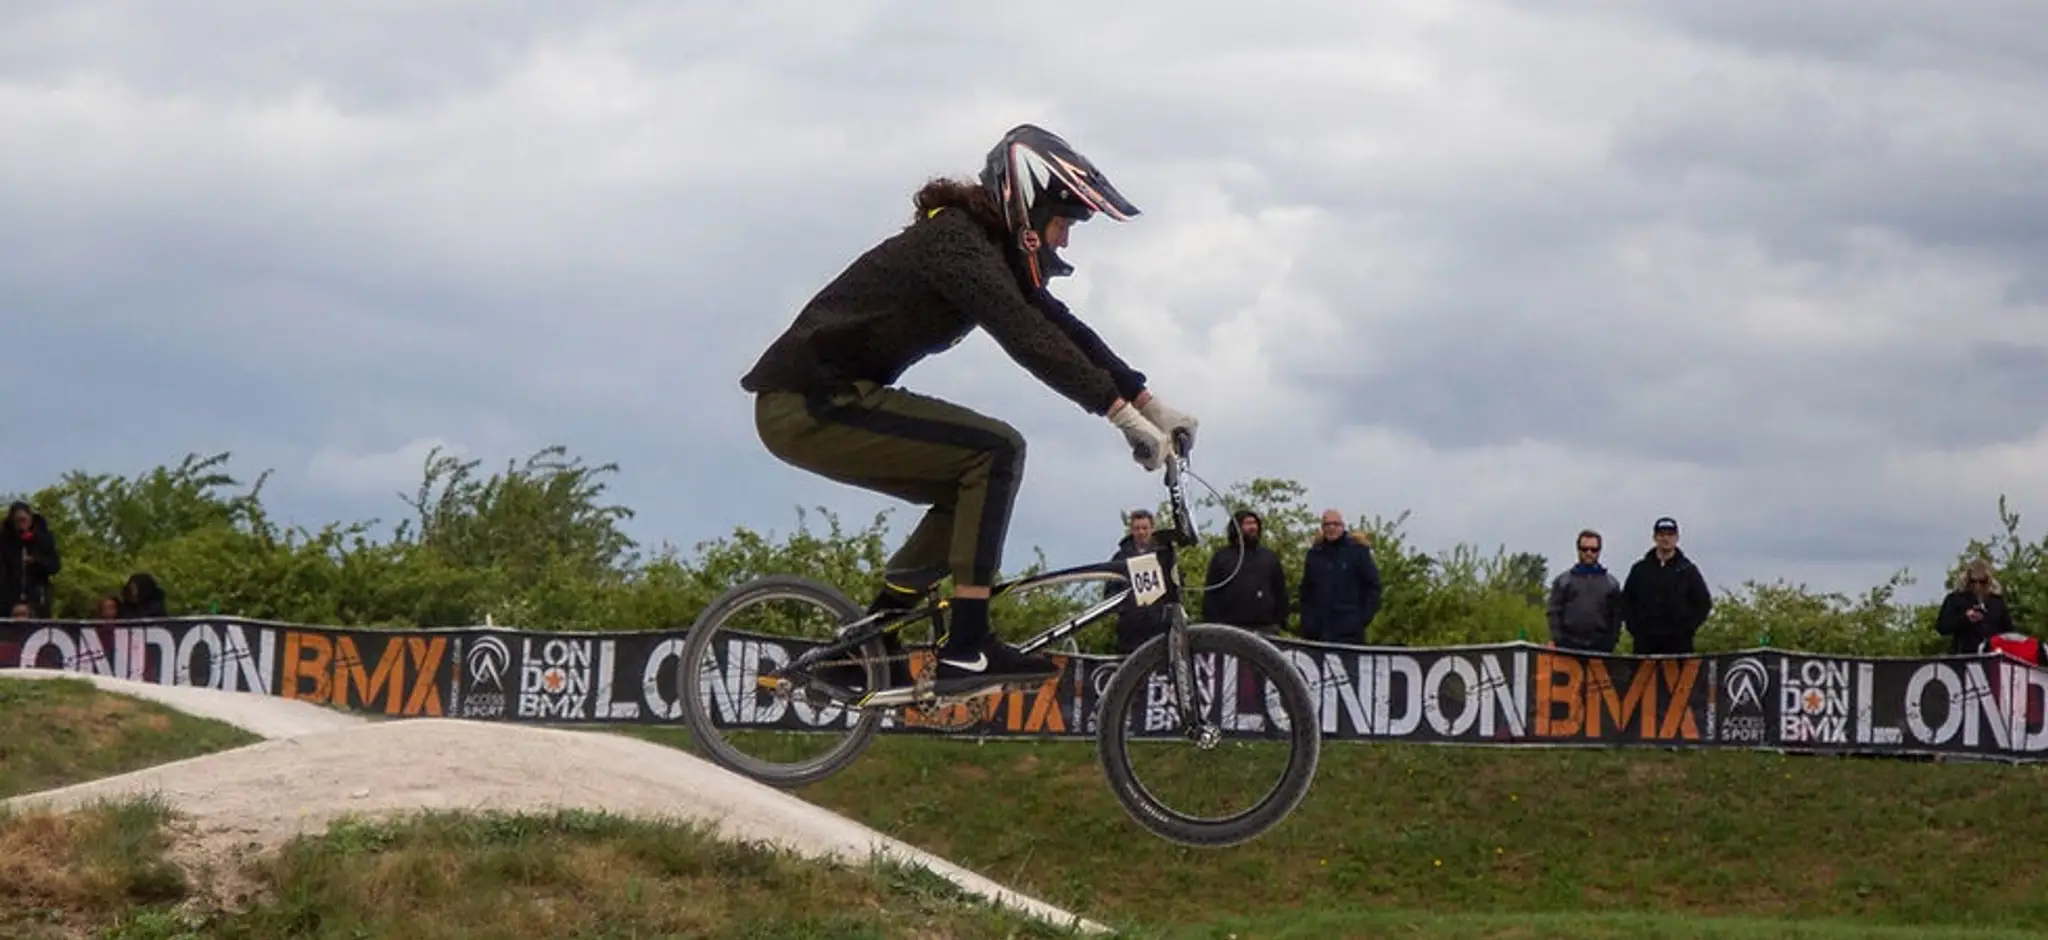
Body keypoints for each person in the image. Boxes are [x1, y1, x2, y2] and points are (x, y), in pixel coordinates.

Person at [739, 124, 1199, 696]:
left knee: (971, 482)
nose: (1065, 243)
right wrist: (1116, 413)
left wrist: (1149, 403)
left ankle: (873, 636)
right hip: (807, 401)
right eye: (1064, 224)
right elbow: (1024, 334)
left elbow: (1059, 326)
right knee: (995, 450)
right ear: (1029, 207)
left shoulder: (984, 251)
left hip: (829, 400)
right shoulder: (953, 244)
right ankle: (967, 648)